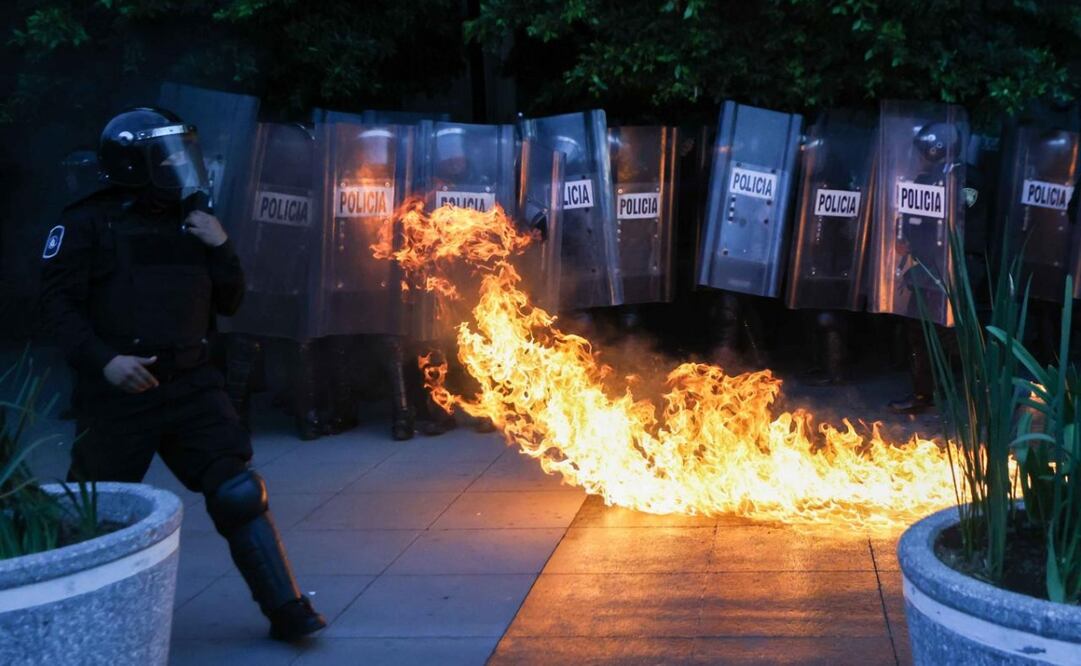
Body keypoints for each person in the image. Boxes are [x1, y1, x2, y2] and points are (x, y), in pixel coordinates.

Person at [39, 107, 326, 641]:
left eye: (181, 152)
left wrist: (220, 247)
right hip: (120, 393)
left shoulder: (194, 217)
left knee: (239, 492)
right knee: (92, 512)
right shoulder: (84, 223)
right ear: (132, 163)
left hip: (193, 385)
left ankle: (286, 610)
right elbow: (57, 309)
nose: (178, 165)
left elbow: (232, 300)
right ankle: (69, 625)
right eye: (163, 155)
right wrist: (106, 361)